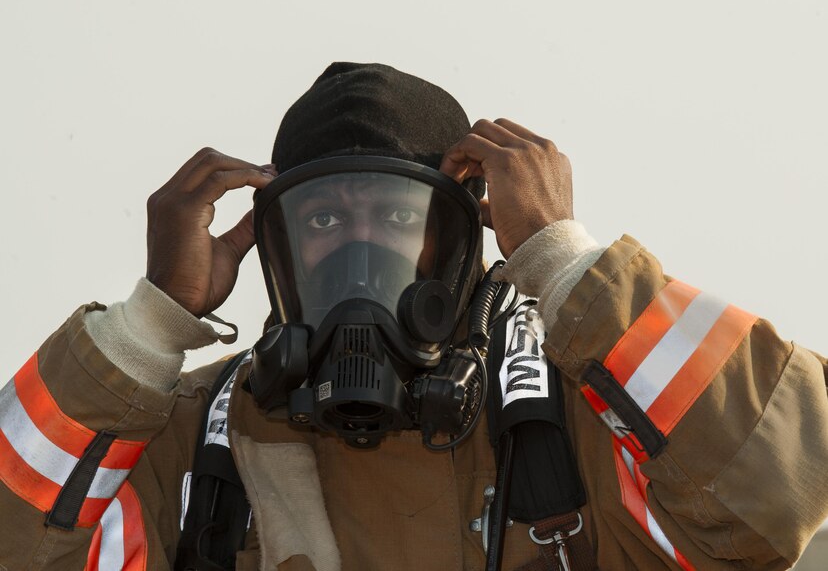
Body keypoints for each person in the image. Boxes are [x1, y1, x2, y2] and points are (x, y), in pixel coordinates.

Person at [0, 62, 825, 571]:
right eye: (325, 218)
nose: (359, 252)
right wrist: (147, 326)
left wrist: (568, 266)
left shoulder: (584, 420)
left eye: (397, 216)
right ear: (275, 246)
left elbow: (785, 481)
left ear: (462, 236)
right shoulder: (195, 449)